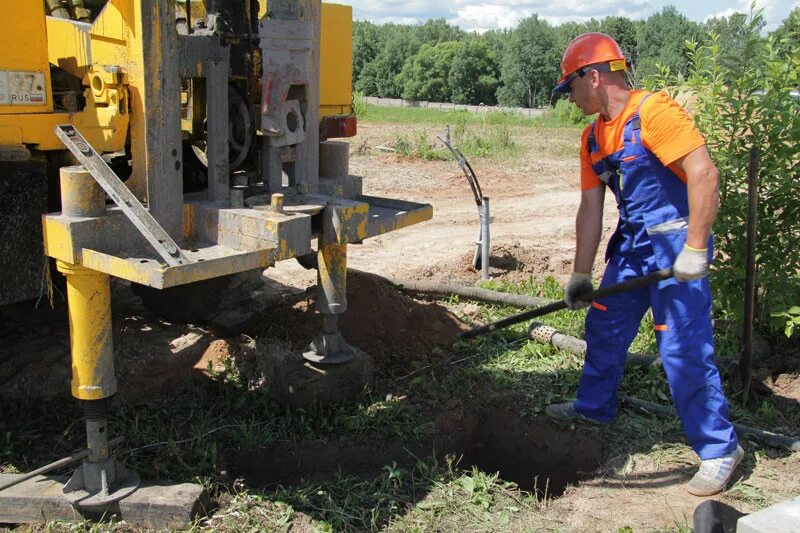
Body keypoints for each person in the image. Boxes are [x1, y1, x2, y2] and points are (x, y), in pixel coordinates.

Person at [545, 32, 743, 497]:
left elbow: (703, 173)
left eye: (570, 87)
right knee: (605, 326)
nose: (569, 97)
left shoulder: (654, 112)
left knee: (682, 348)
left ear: (593, 76)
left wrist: (695, 247)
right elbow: (590, 208)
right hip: (633, 248)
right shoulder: (593, 137)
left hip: (676, 245)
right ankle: (594, 407)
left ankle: (719, 449)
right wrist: (580, 274)